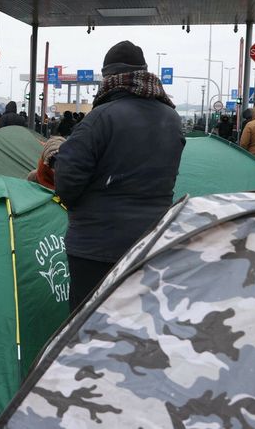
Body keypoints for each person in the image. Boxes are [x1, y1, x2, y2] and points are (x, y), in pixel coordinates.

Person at [55, 41, 184, 312]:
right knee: (137, 321)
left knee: (87, 326)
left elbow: (67, 182)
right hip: (151, 241)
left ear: (109, 76)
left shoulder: (100, 117)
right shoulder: (171, 118)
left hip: (96, 246)